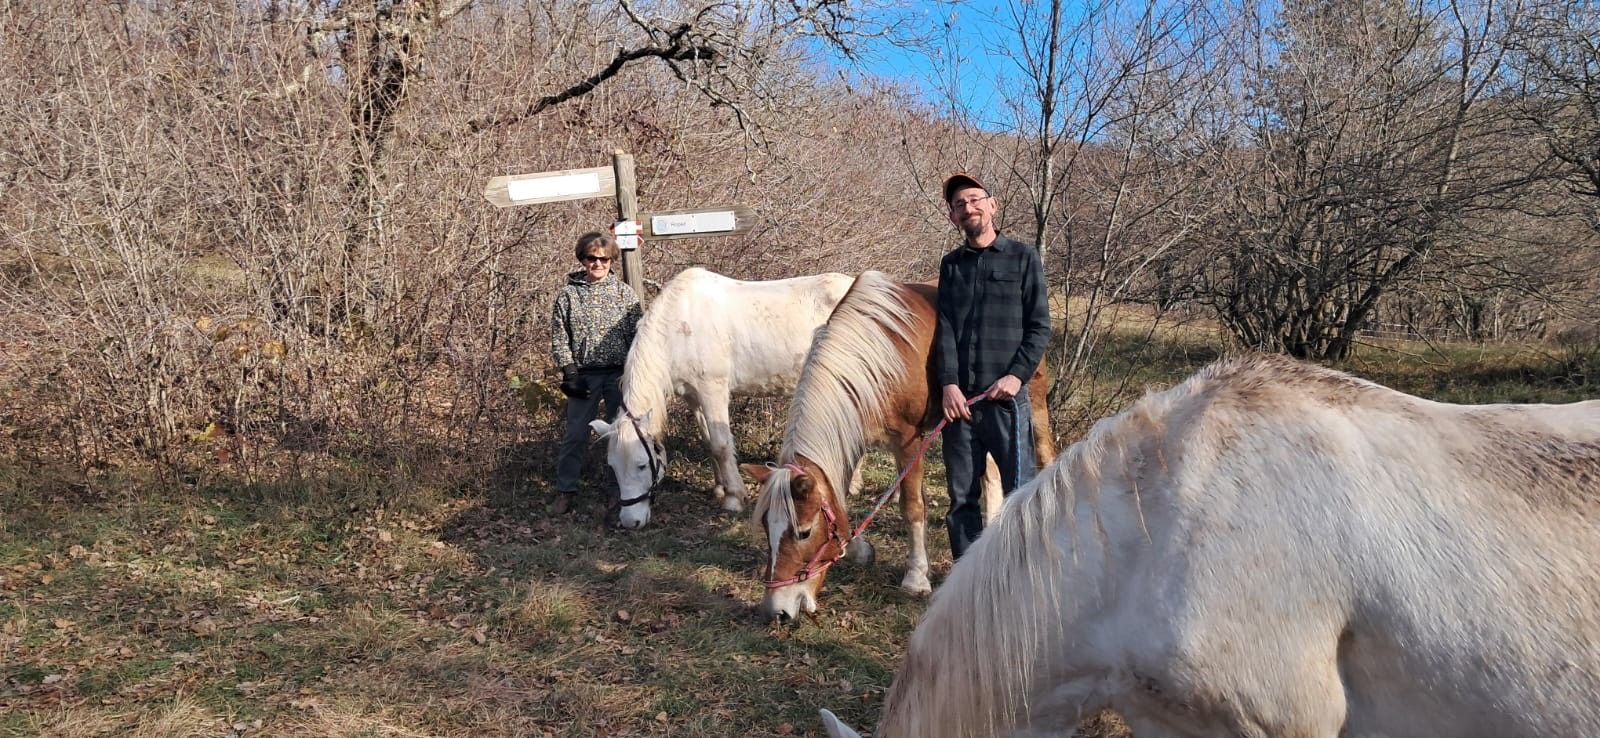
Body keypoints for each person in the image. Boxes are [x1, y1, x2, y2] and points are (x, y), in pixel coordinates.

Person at [933, 173, 1051, 559]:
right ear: (953, 217)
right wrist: (949, 385)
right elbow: (945, 329)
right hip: (960, 406)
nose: (968, 208)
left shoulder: (1023, 257)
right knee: (961, 500)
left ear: (992, 204)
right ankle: (967, 584)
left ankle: (1023, 573)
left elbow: (1039, 327)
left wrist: (1016, 377)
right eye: (958, 205)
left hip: (1005, 402)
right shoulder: (952, 265)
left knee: (1022, 495)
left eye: (973, 200)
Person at [549, 232, 642, 514]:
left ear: (612, 261)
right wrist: (569, 373)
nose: (598, 263)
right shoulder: (568, 295)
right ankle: (566, 491)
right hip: (584, 375)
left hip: (618, 376)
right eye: (592, 258)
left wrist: (635, 376)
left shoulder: (625, 294)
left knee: (620, 437)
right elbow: (559, 337)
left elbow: (639, 338)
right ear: (583, 259)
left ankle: (617, 492)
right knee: (575, 434)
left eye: (604, 258)